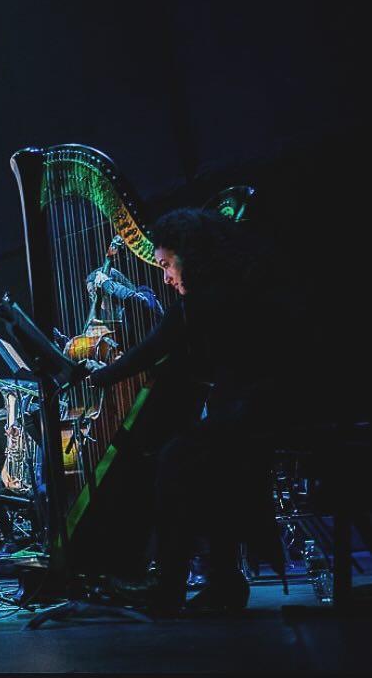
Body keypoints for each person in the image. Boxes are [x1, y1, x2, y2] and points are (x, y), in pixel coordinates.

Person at [83, 207, 286, 614]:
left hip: (255, 412)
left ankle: (168, 584)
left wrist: (95, 377)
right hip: (260, 407)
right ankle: (223, 580)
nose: (165, 276)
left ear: (187, 256)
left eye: (166, 264)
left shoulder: (203, 300)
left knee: (176, 459)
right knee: (188, 458)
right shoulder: (231, 286)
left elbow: (152, 349)